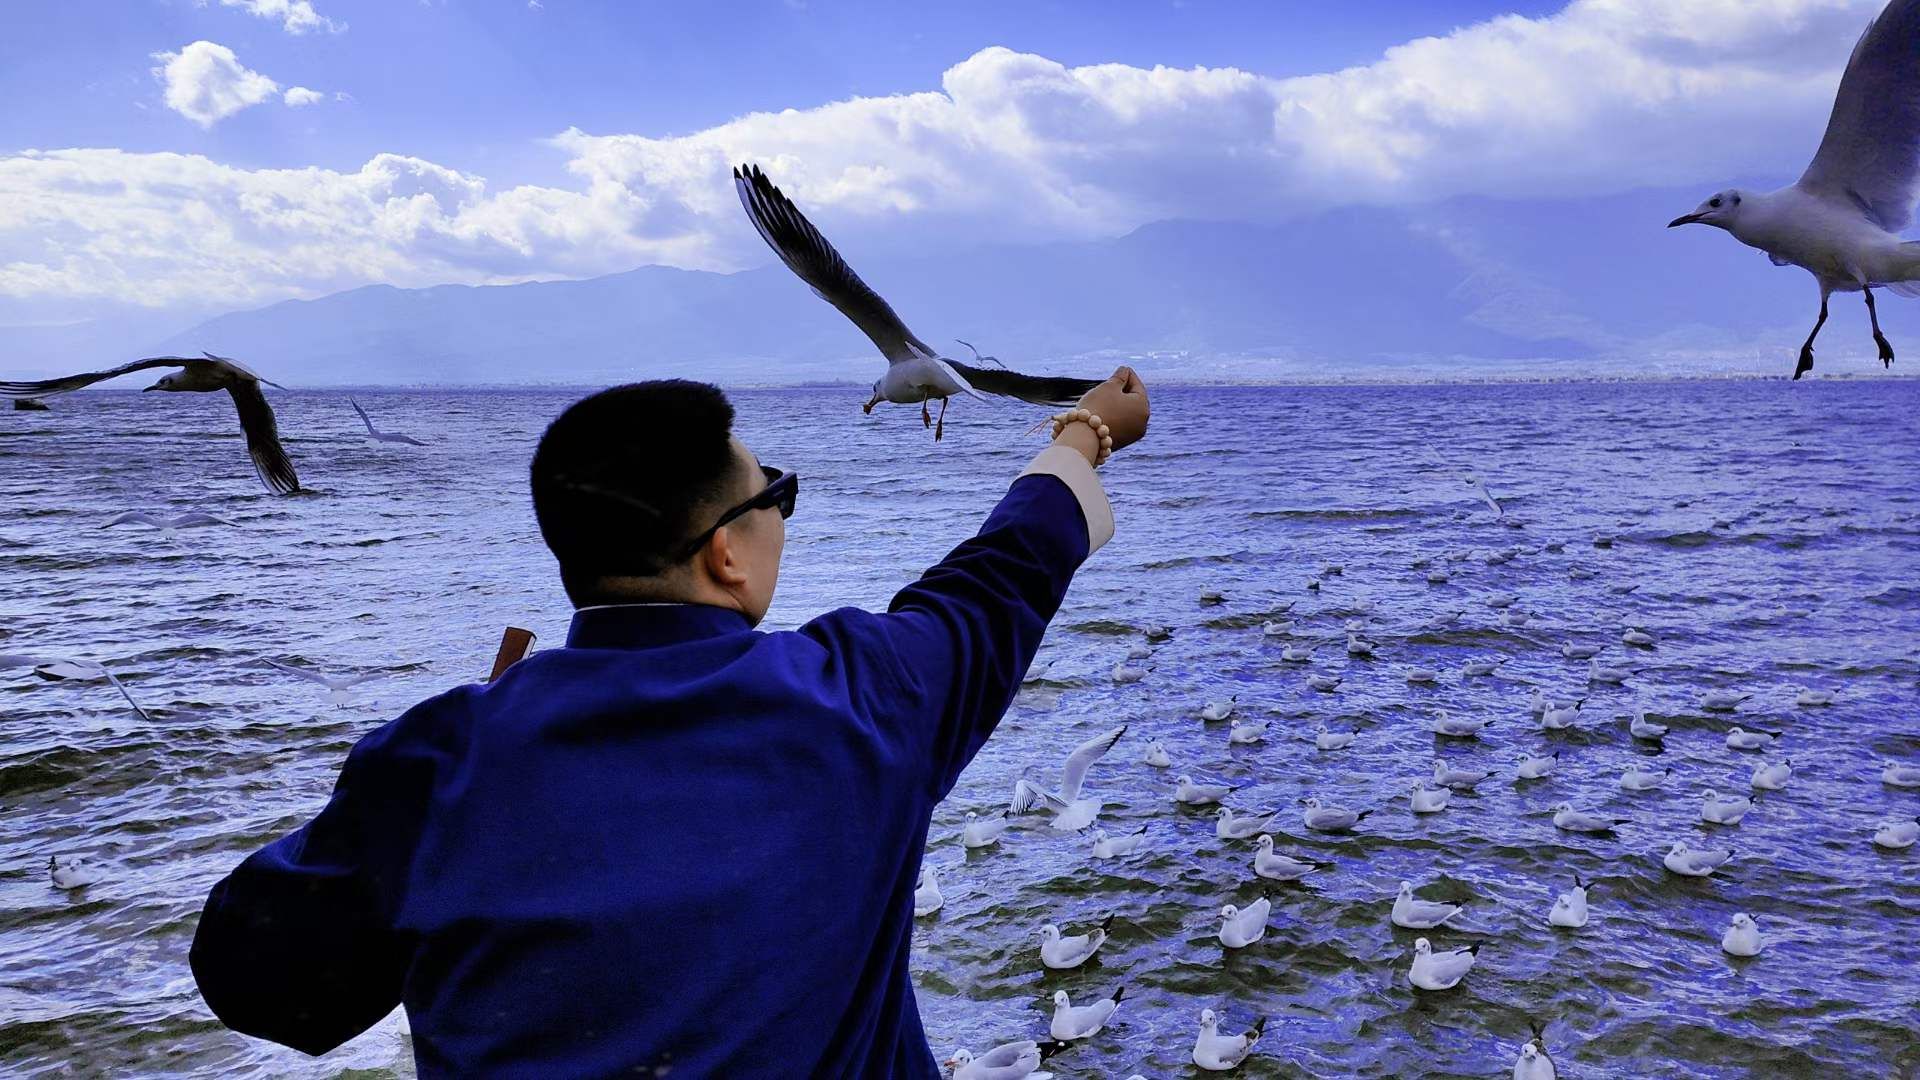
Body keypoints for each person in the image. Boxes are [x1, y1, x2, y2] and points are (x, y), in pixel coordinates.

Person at [189, 367, 1150, 1076]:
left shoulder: (439, 758)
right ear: (727, 554)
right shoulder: (863, 694)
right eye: (776, 493)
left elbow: (258, 979)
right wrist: (1083, 436)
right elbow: (1008, 569)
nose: (783, 510)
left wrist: (420, 835)